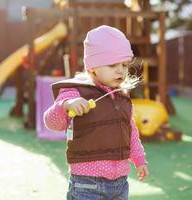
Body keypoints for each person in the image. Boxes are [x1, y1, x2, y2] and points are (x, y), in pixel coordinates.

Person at [44, 25, 148, 200]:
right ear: (92, 68)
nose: (120, 70)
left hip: (120, 184)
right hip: (87, 184)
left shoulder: (122, 98)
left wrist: (139, 159)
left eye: (124, 64)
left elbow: (131, 132)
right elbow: (51, 122)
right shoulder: (75, 92)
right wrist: (67, 105)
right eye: (112, 64)